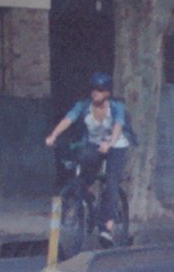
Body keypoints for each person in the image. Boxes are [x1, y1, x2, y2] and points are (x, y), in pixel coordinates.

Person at [44, 71, 132, 247]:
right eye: (93, 89)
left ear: (107, 92)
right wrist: (53, 135)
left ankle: (106, 226)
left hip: (116, 146)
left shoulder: (116, 107)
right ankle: (85, 194)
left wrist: (110, 143)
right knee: (84, 164)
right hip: (93, 144)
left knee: (111, 182)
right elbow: (68, 119)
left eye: (99, 90)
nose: (95, 93)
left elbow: (118, 126)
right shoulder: (83, 106)